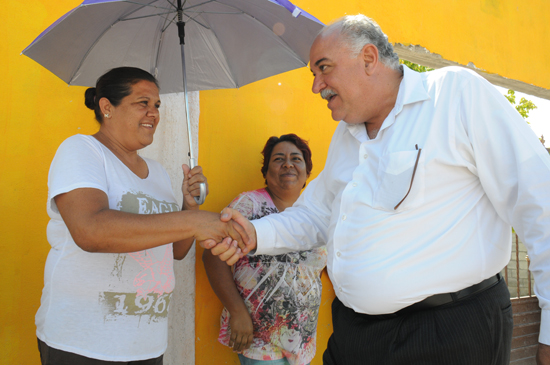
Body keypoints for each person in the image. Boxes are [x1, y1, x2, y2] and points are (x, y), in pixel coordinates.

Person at [204, 14, 550, 365]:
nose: (316, 86)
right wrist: (253, 232)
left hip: (448, 333)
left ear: (368, 59)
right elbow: (315, 214)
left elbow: (540, 201)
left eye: (324, 68)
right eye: (314, 75)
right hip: (356, 334)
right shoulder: (347, 135)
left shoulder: (455, 95)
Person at [36, 67, 246, 364]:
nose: (154, 113)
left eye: (157, 105)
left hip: (145, 345)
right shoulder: (81, 151)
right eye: (142, 103)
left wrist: (190, 207)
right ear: (107, 106)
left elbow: (175, 249)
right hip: (83, 342)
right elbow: (89, 231)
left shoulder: (157, 172)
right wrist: (197, 222)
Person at [203, 134, 327, 365]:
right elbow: (213, 258)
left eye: (296, 159)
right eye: (279, 159)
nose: (288, 164)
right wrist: (237, 312)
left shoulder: (318, 214)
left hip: (301, 337)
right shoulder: (248, 205)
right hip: (258, 336)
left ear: (307, 173)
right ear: (266, 172)